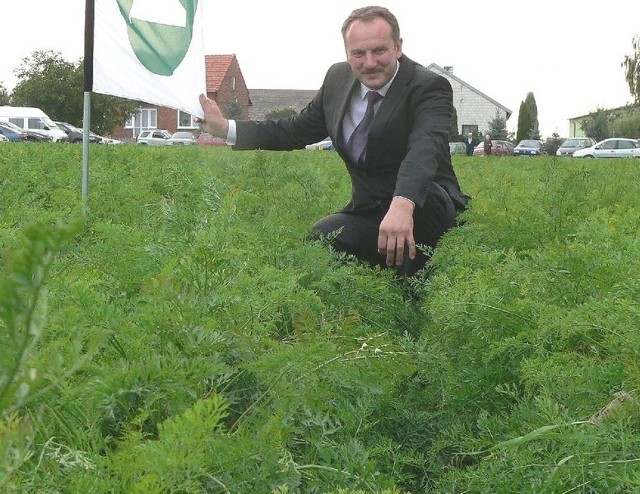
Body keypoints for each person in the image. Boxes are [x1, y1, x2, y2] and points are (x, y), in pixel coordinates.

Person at [198, 5, 470, 277]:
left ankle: (414, 284)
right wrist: (225, 128)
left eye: (379, 50)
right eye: (359, 53)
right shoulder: (337, 79)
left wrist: (403, 203)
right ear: (347, 54)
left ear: (397, 47)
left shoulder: (428, 87)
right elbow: (295, 130)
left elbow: (425, 148)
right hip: (370, 209)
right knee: (324, 238)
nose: (370, 62)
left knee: (411, 272)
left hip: (426, 206)